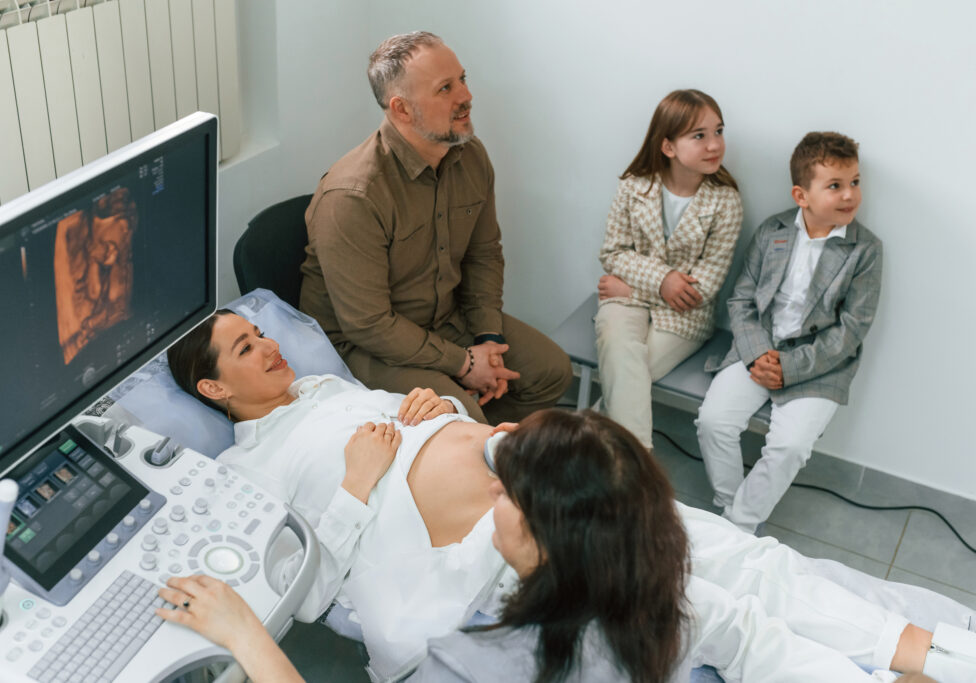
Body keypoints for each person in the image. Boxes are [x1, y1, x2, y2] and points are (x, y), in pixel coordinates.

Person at [165, 310, 975, 681]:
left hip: (531, 483)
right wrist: (355, 486)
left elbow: (444, 421)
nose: (269, 342)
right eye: (244, 346)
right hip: (462, 541)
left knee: (736, 557)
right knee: (691, 598)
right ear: (213, 385)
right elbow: (301, 595)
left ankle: (920, 648)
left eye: (261, 330)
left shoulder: (322, 387)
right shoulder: (245, 475)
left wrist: (434, 406)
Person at [156, 410, 947, 682]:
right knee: (747, 584)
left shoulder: (481, 659)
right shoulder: (648, 583)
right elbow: (742, 630)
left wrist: (244, 632)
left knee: (757, 570)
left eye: (500, 493)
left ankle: (916, 648)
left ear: (538, 533)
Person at [298, 31, 572, 425]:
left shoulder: (470, 155)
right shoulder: (353, 196)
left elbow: (484, 253)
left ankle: (484, 448)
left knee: (551, 371)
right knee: (462, 413)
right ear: (402, 109)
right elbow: (369, 324)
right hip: (362, 346)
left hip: (444, 318)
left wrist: (488, 339)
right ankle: (469, 445)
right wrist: (463, 363)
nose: (465, 96)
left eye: (463, 79)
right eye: (445, 88)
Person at [696, 132, 880, 534]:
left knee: (790, 446)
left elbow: (852, 330)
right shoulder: (772, 231)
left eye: (855, 182)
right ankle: (730, 507)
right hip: (757, 350)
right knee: (713, 421)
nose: (850, 195)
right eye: (835, 185)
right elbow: (741, 300)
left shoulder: (865, 250)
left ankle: (738, 526)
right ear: (802, 195)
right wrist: (758, 353)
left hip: (818, 366)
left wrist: (790, 367)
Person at [596, 89, 743, 452]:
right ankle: (636, 464)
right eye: (699, 135)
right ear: (668, 147)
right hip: (622, 303)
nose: (714, 144)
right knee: (620, 349)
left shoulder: (726, 201)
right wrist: (663, 280)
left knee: (627, 373)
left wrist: (634, 289)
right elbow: (613, 252)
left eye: (718, 131)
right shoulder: (634, 186)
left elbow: (702, 288)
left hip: (684, 317)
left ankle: (595, 453)